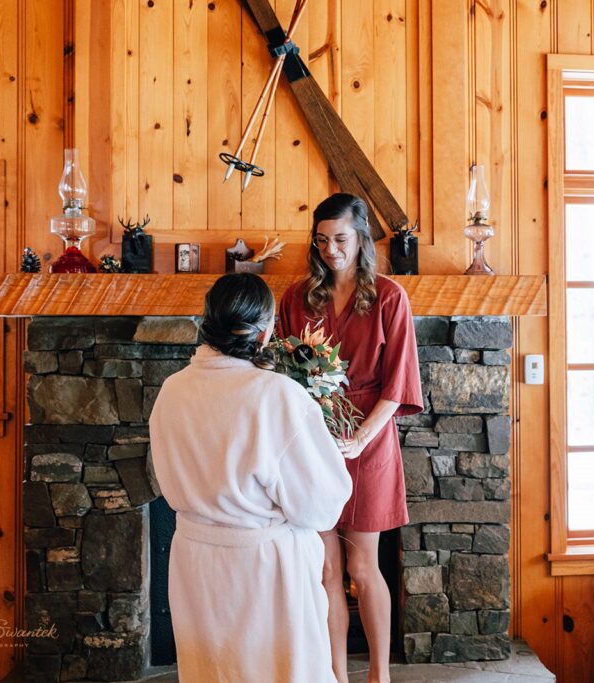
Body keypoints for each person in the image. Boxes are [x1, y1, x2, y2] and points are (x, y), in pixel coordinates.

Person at [149, 273, 352, 683]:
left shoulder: (171, 390)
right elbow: (323, 505)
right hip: (261, 571)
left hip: (195, 564)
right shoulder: (277, 395)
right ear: (264, 332)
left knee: (212, 670)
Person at [278, 193, 424, 683]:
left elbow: (400, 382)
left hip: (369, 442)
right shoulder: (295, 298)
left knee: (364, 570)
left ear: (361, 239)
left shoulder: (389, 297)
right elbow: (280, 374)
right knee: (325, 574)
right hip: (312, 442)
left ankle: (378, 676)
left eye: (340, 239)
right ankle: (334, 675)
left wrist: (361, 438)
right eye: (321, 240)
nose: (330, 250)